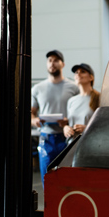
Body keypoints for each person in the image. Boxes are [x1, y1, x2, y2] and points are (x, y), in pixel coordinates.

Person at [31, 50, 79, 184]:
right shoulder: (38, 88)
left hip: (67, 139)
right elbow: (31, 112)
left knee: (67, 180)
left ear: (62, 64)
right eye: (50, 60)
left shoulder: (73, 87)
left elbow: (79, 112)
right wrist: (33, 120)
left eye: (56, 60)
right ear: (47, 64)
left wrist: (68, 121)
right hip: (46, 140)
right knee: (47, 179)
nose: (53, 63)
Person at [64, 63, 100, 141]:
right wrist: (66, 128)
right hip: (71, 145)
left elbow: (106, 125)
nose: (78, 74)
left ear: (91, 77)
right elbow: (69, 122)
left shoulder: (99, 98)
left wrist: (87, 129)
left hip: (90, 144)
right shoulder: (71, 101)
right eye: (76, 72)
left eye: (82, 71)